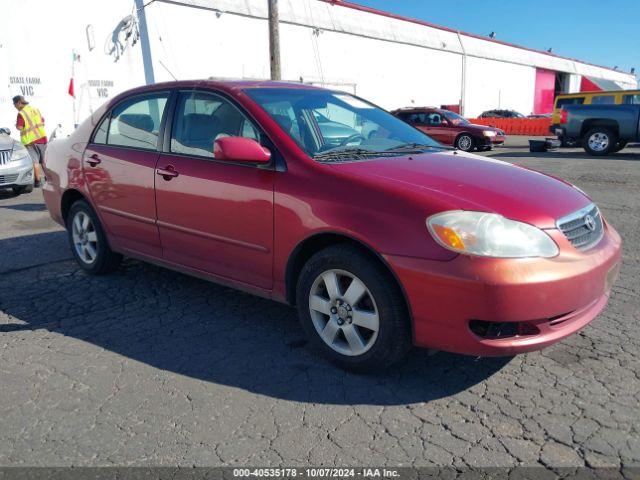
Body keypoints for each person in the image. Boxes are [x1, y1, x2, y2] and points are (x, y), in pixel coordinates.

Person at [13, 95, 47, 186]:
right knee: (44, 161)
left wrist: (16, 125)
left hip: (31, 141)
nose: (14, 106)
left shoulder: (21, 113)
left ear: (19, 103)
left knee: (35, 162)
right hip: (42, 138)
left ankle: (37, 181)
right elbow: (42, 121)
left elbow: (20, 127)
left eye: (14, 104)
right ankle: (49, 178)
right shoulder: (35, 109)